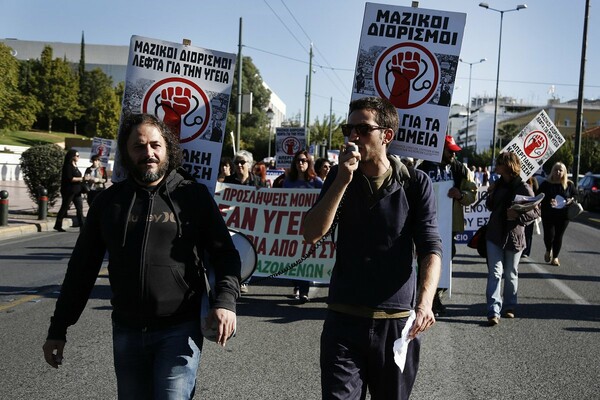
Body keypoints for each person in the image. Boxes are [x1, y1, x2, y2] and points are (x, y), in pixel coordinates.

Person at [42, 113, 241, 399]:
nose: (148, 153)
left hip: (180, 329)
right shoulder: (109, 203)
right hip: (127, 330)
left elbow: (226, 255)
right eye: (139, 146)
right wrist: (57, 328)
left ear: (167, 149)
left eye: (155, 145)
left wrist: (225, 302)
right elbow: (81, 270)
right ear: (126, 152)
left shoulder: (193, 196)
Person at [303, 96, 442, 399]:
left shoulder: (415, 184)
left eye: (363, 129)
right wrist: (341, 179)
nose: (353, 136)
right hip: (344, 320)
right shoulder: (340, 177)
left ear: (386, 136)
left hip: (395, 326)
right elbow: (311, 233)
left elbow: (431, 247)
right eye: (348, 129)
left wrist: (425, 303)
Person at [417, 135, 477, 316]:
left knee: (445, 260)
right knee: (427, 259)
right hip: (426, 222)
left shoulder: (460, 169)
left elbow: (472, 194)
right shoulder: (424, 167)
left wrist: (460, 195)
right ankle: (431, 299)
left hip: (449, 224)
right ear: (439, 149)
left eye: (455, 151)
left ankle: (435, 295)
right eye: (450, 151)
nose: (453, 154)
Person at [484, 152, 539, 326]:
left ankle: (509, 306)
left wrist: (517, 215)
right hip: (494, 234)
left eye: (499, 163)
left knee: (510, 272)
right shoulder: (497, 184)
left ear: (507, 165)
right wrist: (491, 193)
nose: (496, 166)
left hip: (514, 236)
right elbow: (490, 206)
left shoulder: (523, 187)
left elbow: (536, 211)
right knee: (495, 272)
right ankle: (493, 310)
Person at [224, 150, 267, 294]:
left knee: (248, 251)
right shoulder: (228, 182)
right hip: (232, 223)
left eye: (243, 162)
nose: (239, 165)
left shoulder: (258, 182)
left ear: (250, 164)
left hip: (251, 223)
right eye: (236, 163)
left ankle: (244, 279)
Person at [284, 150, 323, 302]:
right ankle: (297, 285)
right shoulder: (288, 182)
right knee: (293, 257)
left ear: (309, 163)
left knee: (305, 258)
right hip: (291, 227)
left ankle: (303, 290)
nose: (301, 163)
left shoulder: (316, 182)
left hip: (308, 227)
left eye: (304, 160)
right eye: (298, 160)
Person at [538, 162, 576, 266]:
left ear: (564, 172)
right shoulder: (546, 184)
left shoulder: (569, 184)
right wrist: (547, 201)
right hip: (548, 214)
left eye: (560, 170)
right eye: (556, 170)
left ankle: (555, 257)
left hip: (563, 215)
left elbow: (575, 196)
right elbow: (539, 196)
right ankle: (548, 249)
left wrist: (570, 200)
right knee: (549, 235)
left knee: (559, 236)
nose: (558, 172)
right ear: (552, 171)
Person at [53, 149, 85, 232]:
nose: (78, 157)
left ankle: (82, 226)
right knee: (65, 207)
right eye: (77, 156)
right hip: (69, 191)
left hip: (77, 191)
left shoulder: (75, 166)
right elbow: (70, 178)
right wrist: (82, 178)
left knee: (79, 208)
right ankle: (58, 224)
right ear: (72, 157)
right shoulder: (67, 166)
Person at [522, 175, 540, 258]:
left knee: (528, 232)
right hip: (519, 208)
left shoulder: (533, 180)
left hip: (530, 209)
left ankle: (526, 251)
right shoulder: (517, 179)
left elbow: (537, 193)